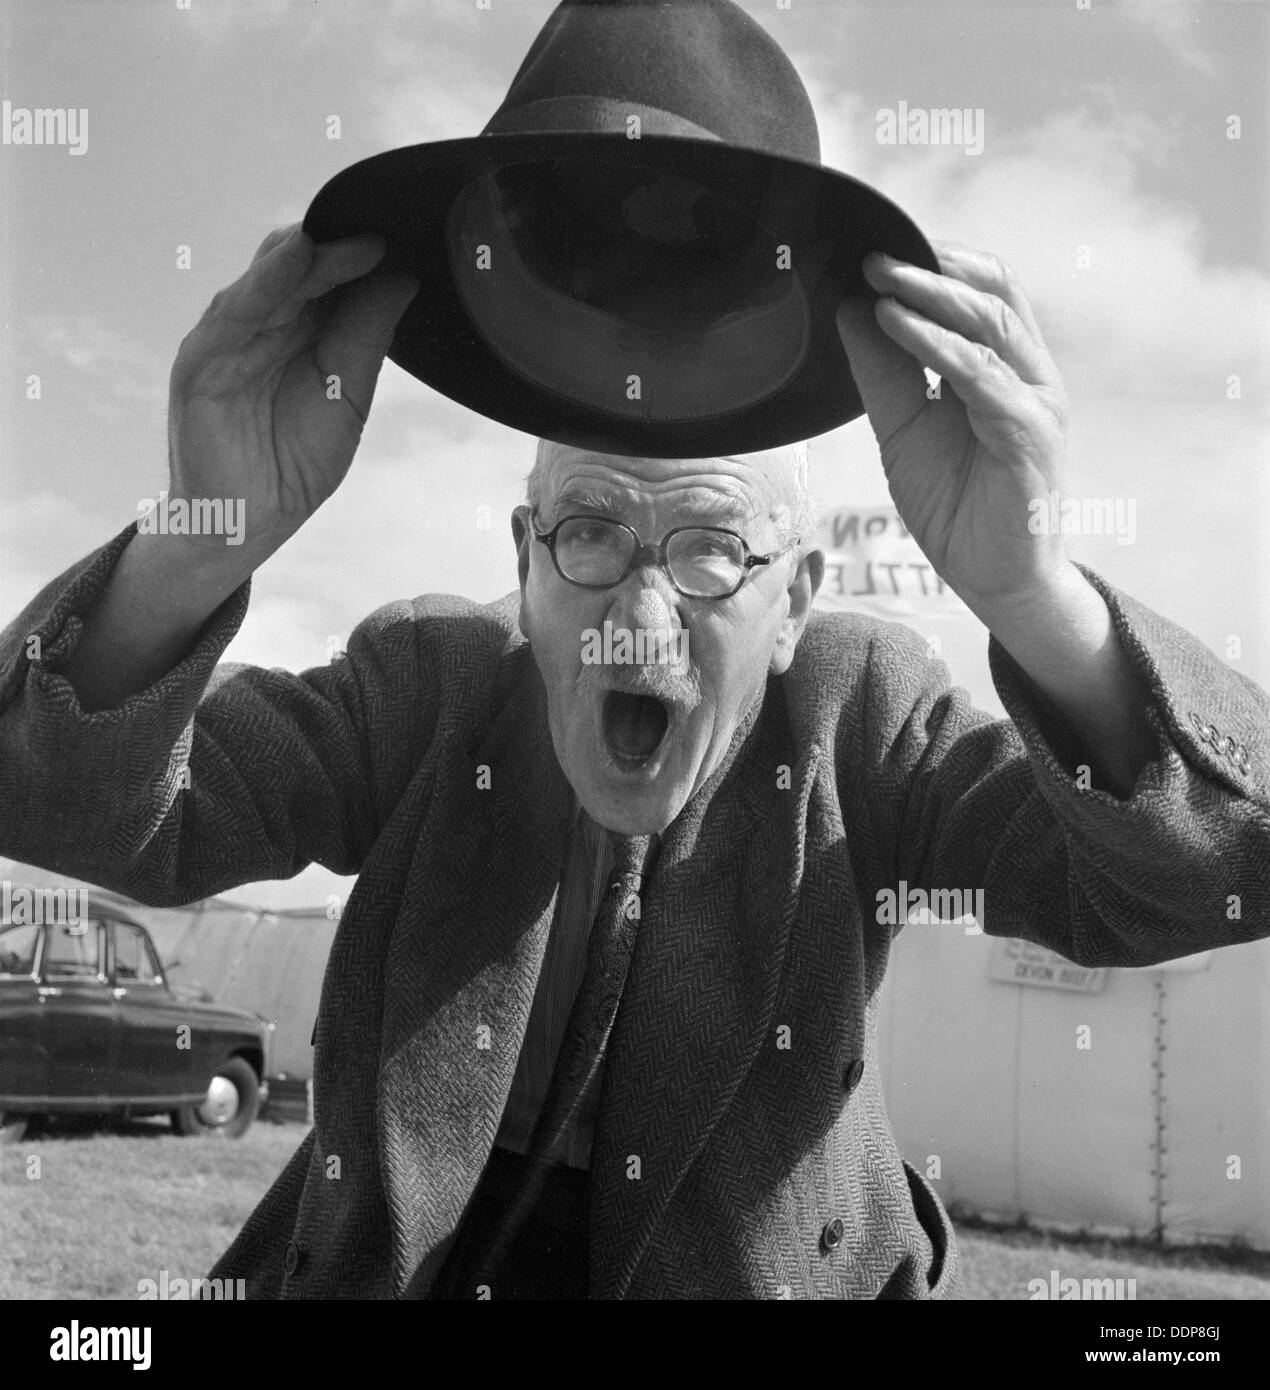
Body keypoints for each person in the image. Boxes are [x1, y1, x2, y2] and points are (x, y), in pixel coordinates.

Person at [2, 0, 1267, 1299]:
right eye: (589, 530)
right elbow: (67, 806)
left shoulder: (864, 718)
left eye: (712, 548)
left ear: (796, 603)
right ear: (522, 562)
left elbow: (1205, 880)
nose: (634, 614)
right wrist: (198, 542)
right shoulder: (425, 684)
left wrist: (1033, 593)